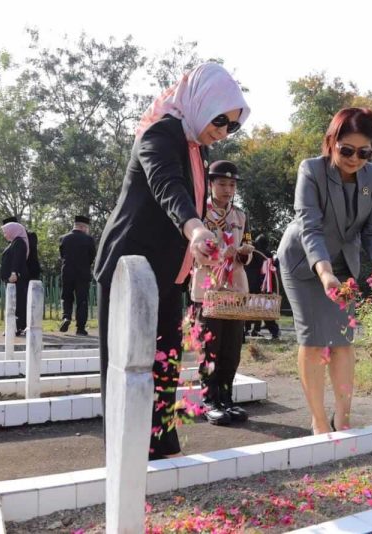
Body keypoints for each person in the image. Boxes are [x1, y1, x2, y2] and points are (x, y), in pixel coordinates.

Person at [93, 62, 249, 459]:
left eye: (232, 125)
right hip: (131, 267)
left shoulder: (197, 145)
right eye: (219, 119)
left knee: (165, 362)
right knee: (128, 366)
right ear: (200, 103)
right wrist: (196, 229)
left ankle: (160, 446)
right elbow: (167, 185)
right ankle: (126, 455)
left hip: (168, 273)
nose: (223, 131)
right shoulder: (160, 132)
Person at [278, 107, 372, 434]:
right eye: (347, 150)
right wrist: (325, 273)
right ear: (331, 142)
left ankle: (342, 418)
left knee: (343, 340)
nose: (355, 158)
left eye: (364, 151)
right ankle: (318, 421)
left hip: (344, 263)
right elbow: (310, 227)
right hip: (305, 263)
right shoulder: (310, 170)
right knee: (314, 341)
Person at [189, 160, 254, 425]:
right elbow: (194, 252)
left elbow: (247, 243)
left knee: (231, 348)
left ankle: (226, 398)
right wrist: (219, 253)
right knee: (210, 346)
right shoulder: (198, 216)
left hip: (235, 287)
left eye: (232, 184)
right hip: (208, 288)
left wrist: (244, 254)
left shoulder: (239, 216)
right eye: (222, 184)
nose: (228, 189)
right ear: (211, 184)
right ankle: (208, 399)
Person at [59, 215, 96, 336]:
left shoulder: (63, 238)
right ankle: (80, 328)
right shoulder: (89, 240)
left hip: (67, 272)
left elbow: (62, 255)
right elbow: (92, 257)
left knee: (67, 297)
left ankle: (66, 317)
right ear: (83, 227)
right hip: (82, 273)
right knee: (82, 301)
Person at [245, 234, 281, 339]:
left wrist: (247, 232)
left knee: (247, 309)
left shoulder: (252, 251)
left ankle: (248, 329)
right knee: (264, 309)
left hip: (249, 285)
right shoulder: (267, 254)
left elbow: (246, 239)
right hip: (262, 286)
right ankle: (272, 330)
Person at [0, 221, 30, 336]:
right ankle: (15, 327)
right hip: (13, 279)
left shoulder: (19, 242)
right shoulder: (14, 242)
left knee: (17, 303)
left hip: (16, 279)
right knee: (14, 303)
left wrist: (14, 272)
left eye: (6, 232)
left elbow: (18, 259)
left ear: (13, 231)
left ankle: (18, 327)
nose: (5, 235)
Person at [2, 216, 41, 281]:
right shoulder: (13, 239)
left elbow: (30, 253)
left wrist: (15, 271)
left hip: (28, 268)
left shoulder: (27, 237)